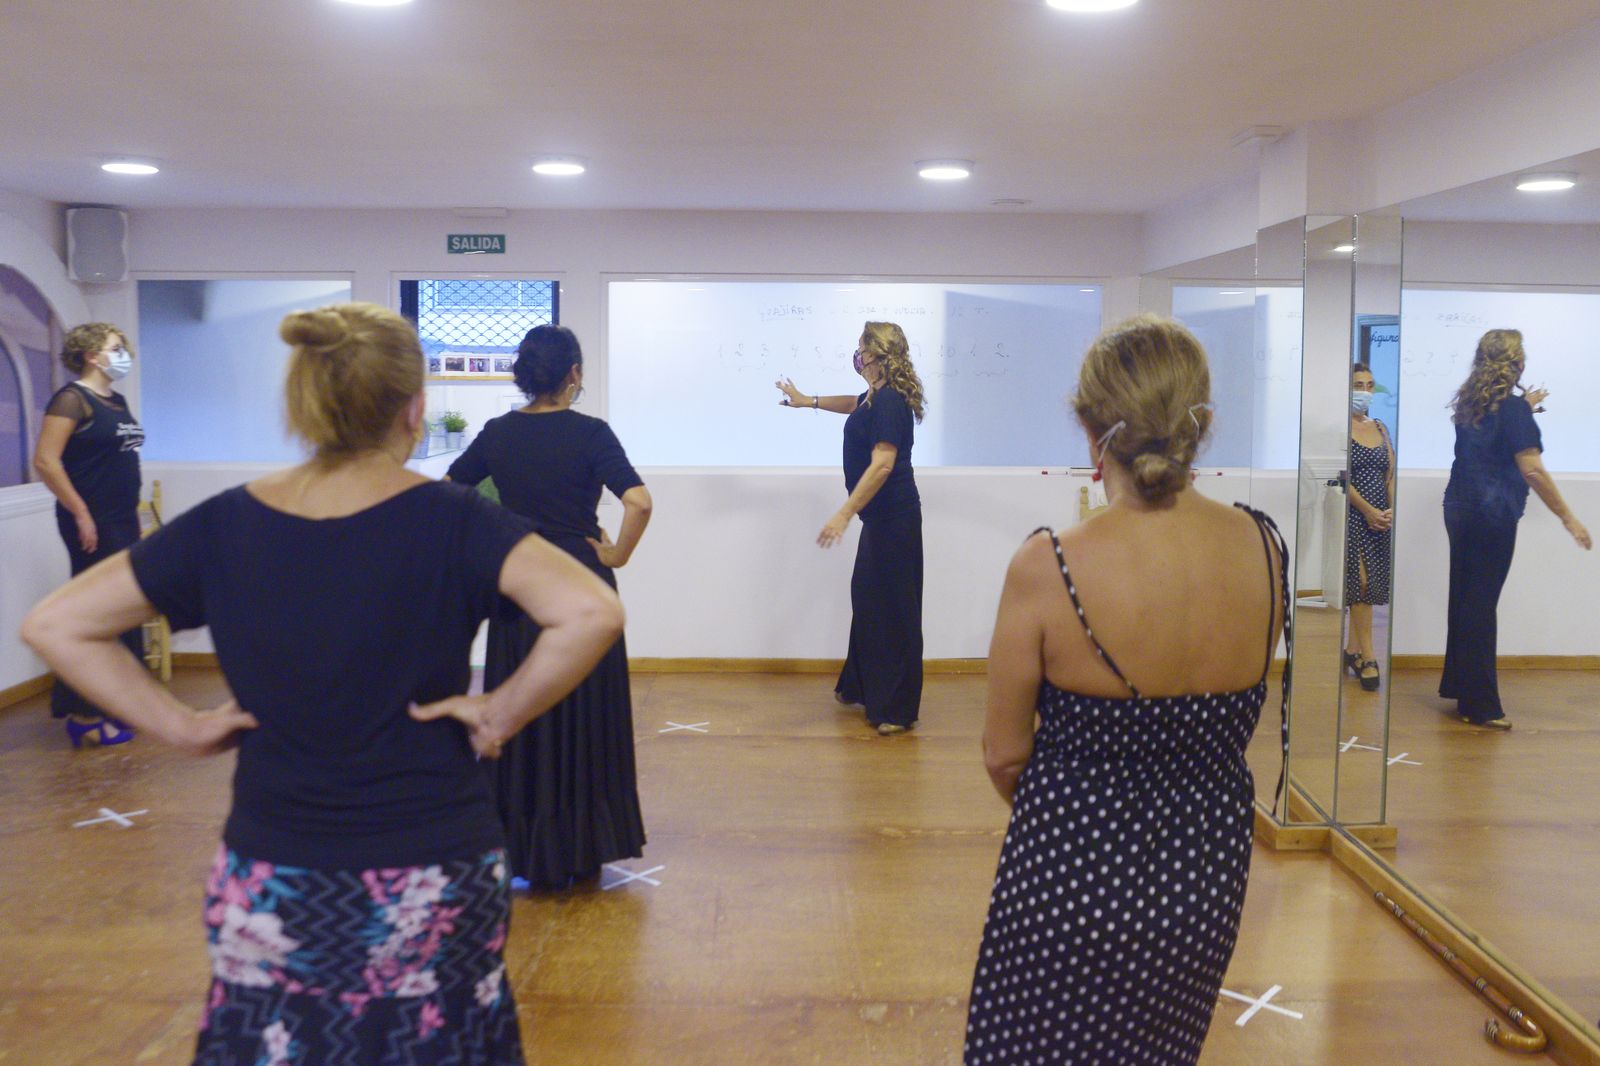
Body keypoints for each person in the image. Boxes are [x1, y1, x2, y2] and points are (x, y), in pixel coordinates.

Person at [21, 303, 623, 1064]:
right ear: (414, 407)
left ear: (302, 403)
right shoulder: (456, 520)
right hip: (433, 861)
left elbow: (57, 624)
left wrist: (182, 726)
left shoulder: (226, 524)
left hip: (277, 867)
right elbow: (591, 610)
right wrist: (499, 712)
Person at [965, 315, 1286, 1065]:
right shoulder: (1263, 546)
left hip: (1070, 873)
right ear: (1200, 427)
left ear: (1090, 434)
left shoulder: (1050, 565)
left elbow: (1004, 755)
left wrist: (1088, 817)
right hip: (1205, 874)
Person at [446, 324, 653, 890]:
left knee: (524, 709)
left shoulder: (496, 433)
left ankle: (522, 843)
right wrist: (617, 554)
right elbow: (638, 501)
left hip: (522, 583)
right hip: (582, 583)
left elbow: (449, 493)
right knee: (585, 709)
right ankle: (586, 845)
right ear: (574, 375)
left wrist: (494, 543)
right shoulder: (591, 434)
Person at [775, 321, 925, 736]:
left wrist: (842, 513)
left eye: (862, 347)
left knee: (894, 610)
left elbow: (882, 464)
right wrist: (810, 401)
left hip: (895, 519)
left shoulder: (892, 401)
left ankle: (896, 708)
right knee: (870, 601)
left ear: (878, 354)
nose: (856, 353)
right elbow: (853, 405)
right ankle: (862, 686)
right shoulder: (874, 396)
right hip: (880, 519)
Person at [1441, 328, 1590, 729]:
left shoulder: (1474, 402)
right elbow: (1534, 471)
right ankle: (1480, 705)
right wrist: (1567, 517)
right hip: (1492, 516)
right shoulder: (1512, 411)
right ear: (1518, 364)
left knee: (1466, 597)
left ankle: (1461, 690)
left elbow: (1495, 431)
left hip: (1458, 507)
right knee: (1480, 605)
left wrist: (1526, 406)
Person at [31, 323, 145, 747]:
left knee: (120, 610)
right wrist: (81, 513)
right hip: (91, 521)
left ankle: (112, 705)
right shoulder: (71, 399)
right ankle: (84, 712)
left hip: (121, 519)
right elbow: (45, 461)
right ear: (92, 355)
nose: (124, 354)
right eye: (116, 348)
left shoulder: (115, 400)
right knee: (98, 614)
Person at [1343, 362, 1395, 692]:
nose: (1365, 390)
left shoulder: (1380, 426)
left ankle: (1352, 652)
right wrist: (1368, 509)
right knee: (1359, 583)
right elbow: (1341, 477)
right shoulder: (1339, 428)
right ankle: (1370, 657)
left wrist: (1390, 509)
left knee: (1371, 586)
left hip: (1381, 519)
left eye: (1369, 385)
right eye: (1358, 384)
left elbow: (1389, 471)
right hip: (1353, 514)